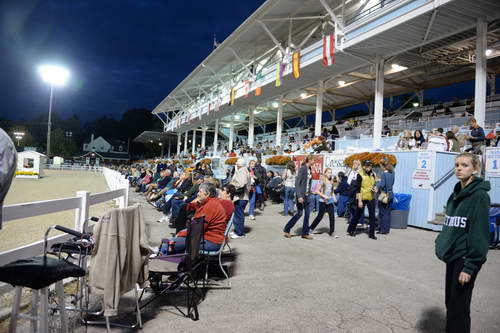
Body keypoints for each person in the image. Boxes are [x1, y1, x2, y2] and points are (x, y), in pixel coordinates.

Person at [435, 153, 490, 333]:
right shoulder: (456, 192)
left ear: (475, 169)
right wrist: (441, 241)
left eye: (464, 165)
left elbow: (479, 232)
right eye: (457, 165)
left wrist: (470, 265)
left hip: (465, 257)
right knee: (451, 303)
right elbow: (450, 223)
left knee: (459, 307)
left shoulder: (479, 196)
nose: (459, 168)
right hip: (453, 255)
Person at [160, 183, 228, 255]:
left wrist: (181, 233)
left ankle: (162, 252)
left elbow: (197, 229)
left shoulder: (210, 206)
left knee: (172, 242)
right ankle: (168, 251)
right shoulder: (212, 202)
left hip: (211, 242)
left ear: (207, 194)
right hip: (212, 239)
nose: (198, 194)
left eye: (200, 192)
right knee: (176, 240)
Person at [283, 155, 315, 240]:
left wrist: (310, 191)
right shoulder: (303, 168)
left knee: (307, 214)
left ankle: (305, 233)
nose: (314, 162)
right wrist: (299, 196)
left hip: (307, 195)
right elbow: (297, 183)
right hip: (301, 195)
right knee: (300, 213)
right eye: (313, 160)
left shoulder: (309, 169)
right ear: (310, 160)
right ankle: (287, 229)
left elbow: (307, 183)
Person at [347, 160, 377, 239]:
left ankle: (372, 234)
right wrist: (359, 201)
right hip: (362, 197)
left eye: (370, 166)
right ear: (364, 166)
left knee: (372, 216)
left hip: (371, 197)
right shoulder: (359, 175)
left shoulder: (373, 174)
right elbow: (357, 189)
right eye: (367, 166)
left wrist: (375, 189)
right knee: (358, 214)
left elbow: (374, 184)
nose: (369, 167)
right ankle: (351, 230)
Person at [309, 168, 337, 237]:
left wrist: (334, 197)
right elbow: (317, 191)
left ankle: (332, 232)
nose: (330, 174)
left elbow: (332, 192)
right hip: (322, 201)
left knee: (332, 216)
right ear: (325, 173)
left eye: (331, 172)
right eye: (328, 172)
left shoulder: (331, 181)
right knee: (320, 216)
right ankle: (310, 229)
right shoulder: (322, 181)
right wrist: (324, 196)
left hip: (329, 201)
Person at [229, 159, 251, 239]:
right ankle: (238, 231)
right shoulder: (244, 170)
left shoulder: (242, 170)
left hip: (241, 197)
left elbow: (241, 183)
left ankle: (239, 233)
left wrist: (232, 183)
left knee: (238, 215)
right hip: (243, 196)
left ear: (238, 165)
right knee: (238, 215)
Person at [377, 158, 395, 235]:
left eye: (380, 166)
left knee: (382, 213)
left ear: (383, 166)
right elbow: (392, 183)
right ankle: (386, 229)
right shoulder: (392, 173)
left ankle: (382, 229)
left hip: (384, 195)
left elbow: (382, 185)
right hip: (390, 194)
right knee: (387, 213)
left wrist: (378, 181)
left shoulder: (384, 174)